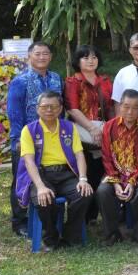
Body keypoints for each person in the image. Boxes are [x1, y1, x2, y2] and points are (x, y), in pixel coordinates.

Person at [14, 91, 92, 251]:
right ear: (37, 109)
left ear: (60, 108)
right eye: (44, 107)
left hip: (66, 173)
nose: (49, 110)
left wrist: (83, 179)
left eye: (53, 106)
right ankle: (50, 236)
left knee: (85, 194)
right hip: (40, 174)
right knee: (44, 198)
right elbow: (28, 161)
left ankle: (70, 234)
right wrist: (41, 186)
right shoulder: (28, 130)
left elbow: (79, 155)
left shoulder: (69, 127)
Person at [7, 41, 63, 237]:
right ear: (30, 56)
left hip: (52, 138)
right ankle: (19, 221)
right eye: (37, 53)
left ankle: (47, 215)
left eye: (45, 53)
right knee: (22, 179)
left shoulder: (56, 78)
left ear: (51, 56)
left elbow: (60, 109)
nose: (42, 57)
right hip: (26, 139)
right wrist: (17, 139)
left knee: (47, 176)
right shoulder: (20, 81)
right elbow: (14, 113)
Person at [97, 89, 138, 246]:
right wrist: (115, 182)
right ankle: (112, 233)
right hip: (115, 172)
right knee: (103, 191)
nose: (130, 111)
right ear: (120, 106)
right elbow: (107, 157)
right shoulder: (109, 126)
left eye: (135, 107)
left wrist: (132, 181)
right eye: (126, 106)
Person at [63, 44, 113, 222]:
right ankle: (81, 217)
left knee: (101, 171)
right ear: (77, 61)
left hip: (103, 132)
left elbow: (110, 107)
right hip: (81, 134)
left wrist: (109, 129)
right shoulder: (73, 81)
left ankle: (94, 214)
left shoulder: (105, 81)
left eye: (94, 57)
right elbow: (72, 109)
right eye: (85, 57)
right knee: (84, 172)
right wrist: (92, 129)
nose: (91, 61)